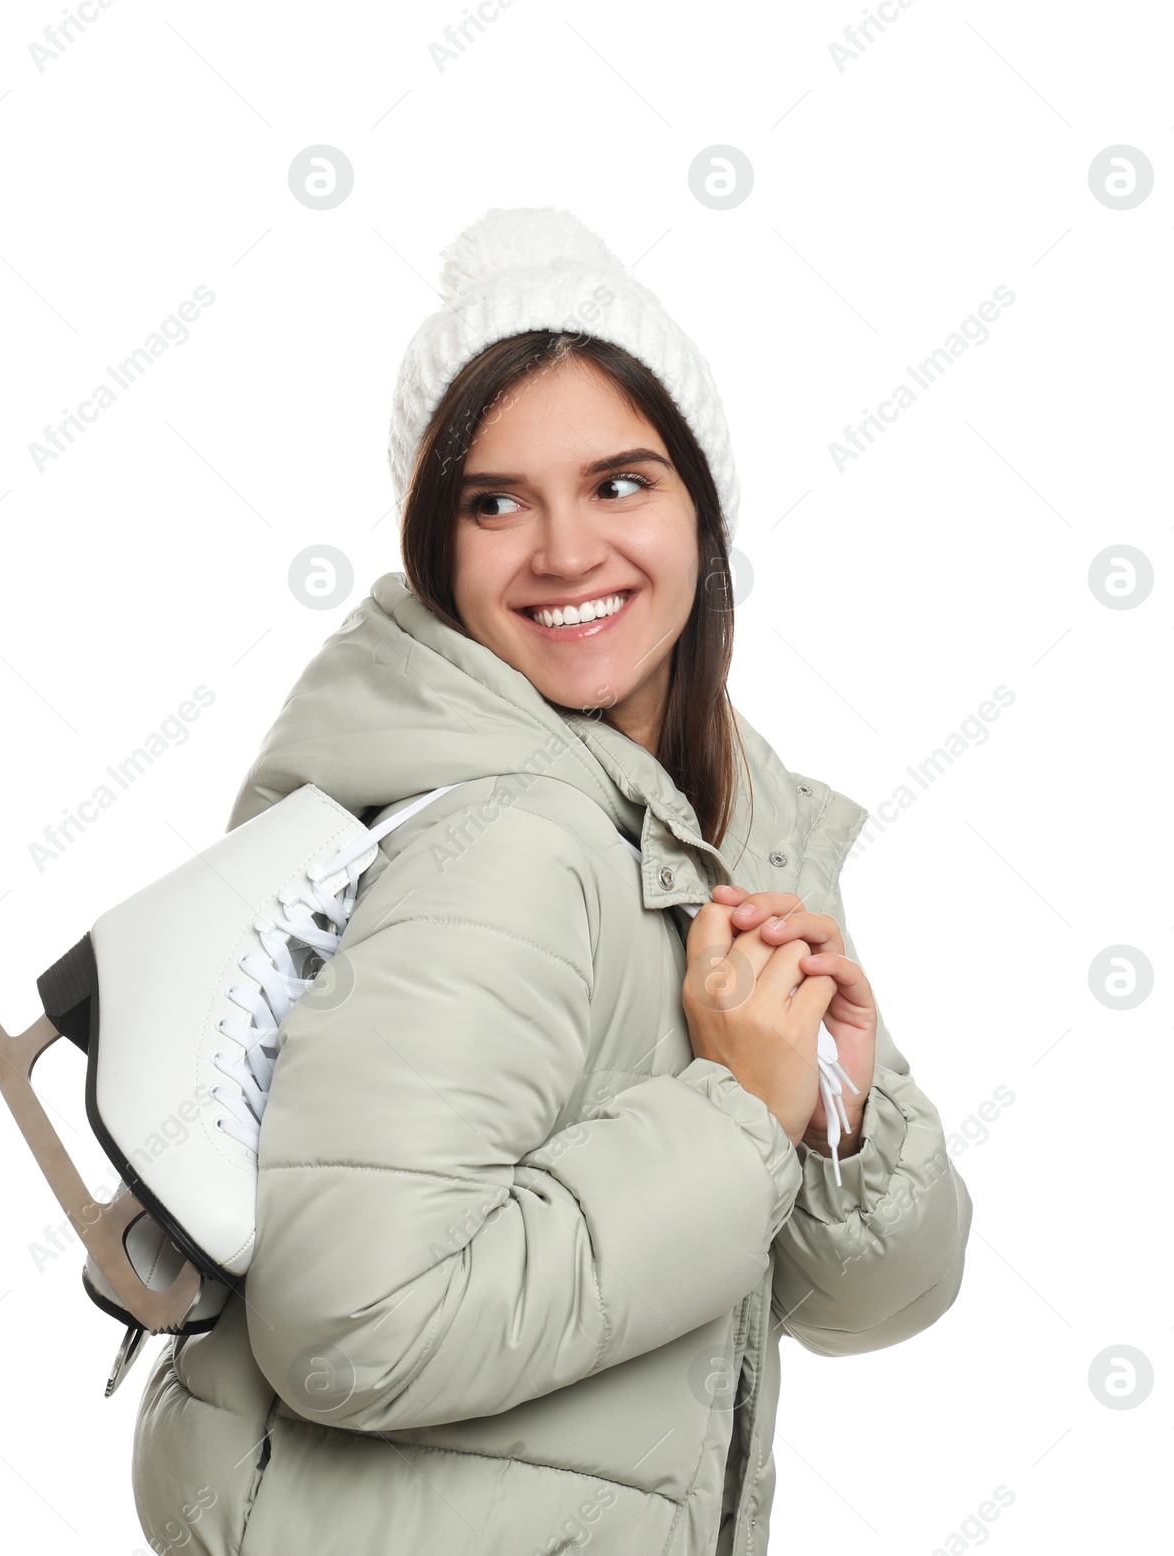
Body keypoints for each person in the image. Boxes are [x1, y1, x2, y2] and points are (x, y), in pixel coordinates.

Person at [131, 206, 972, 1556]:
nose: (567, 552)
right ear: (436, 547)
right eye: (495, 502)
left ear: (706, 512)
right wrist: (733, 1113)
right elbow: (355, 1327)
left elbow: (869, 1307)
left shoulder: (720, 822)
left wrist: (830, 1116)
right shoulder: (510, 842)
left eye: (620, 483)